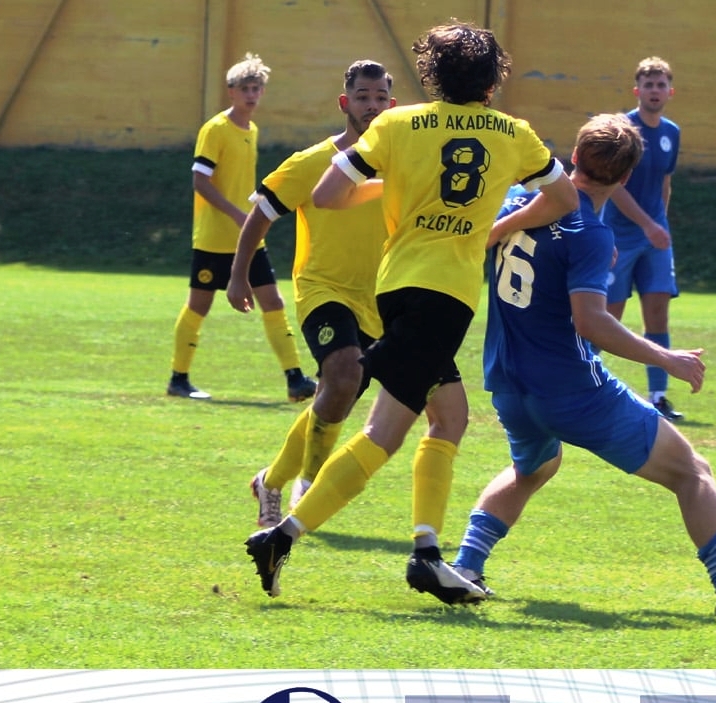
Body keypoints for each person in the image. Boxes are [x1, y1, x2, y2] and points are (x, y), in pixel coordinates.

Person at [243, 21, 578, 604]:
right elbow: (565, 197)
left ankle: (425, 548)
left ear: (432, 76)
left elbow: (326, 196)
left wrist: (397, 186)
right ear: (491, 82)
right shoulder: (515, 133)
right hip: (445, 293)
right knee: (383, 432)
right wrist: (496, 224)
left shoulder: (398, 124)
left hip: (393, 284)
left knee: (449, 417)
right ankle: (291, 536)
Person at [449, 113, 716, 618]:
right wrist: (666, 357)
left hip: (508, 384)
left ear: (575, 157)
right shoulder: (589, 233)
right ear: (625, 178)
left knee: (534, 467)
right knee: (691, 471)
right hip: (572, 391)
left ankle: (465, 567)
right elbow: (591, 322)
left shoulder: (515, 201)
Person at [228, 60, 395, 529]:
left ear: (393, 105)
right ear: (345, 103)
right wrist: (238, 275)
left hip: (378, 299)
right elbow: (261, 214)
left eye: (380, 98)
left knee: (334, 395)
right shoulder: (312, 162)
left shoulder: (401, 162)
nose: (372, 106)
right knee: (342, 375)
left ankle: (270, 481)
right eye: (362, 97)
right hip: (322, 289)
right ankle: (310, 483)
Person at [167, 52, 317, 402]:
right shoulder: (216, 129)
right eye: (245, 88)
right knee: (199, 305)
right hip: (214, 238)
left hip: (248, 237)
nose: (251, 94)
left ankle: (295, 379)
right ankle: (178, 378)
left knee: (273, 301)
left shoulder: (252, 130)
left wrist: (248, 217)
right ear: (231, 91)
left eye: (256, 88)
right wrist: (237, 214)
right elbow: (200, 181)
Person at [602, 56, 684, 421]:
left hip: (655, 239)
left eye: (660, 85)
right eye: (648, 85)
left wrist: (659, 223)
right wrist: (648, 224)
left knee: (657, 314)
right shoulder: (623, 129)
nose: (655, 91)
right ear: (637, 91)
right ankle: (585, 386)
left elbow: (665, 182)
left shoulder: (671, 133)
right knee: (608, 317)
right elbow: (614, 186)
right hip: (619, 237)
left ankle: (659, 397)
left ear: (670, 92)